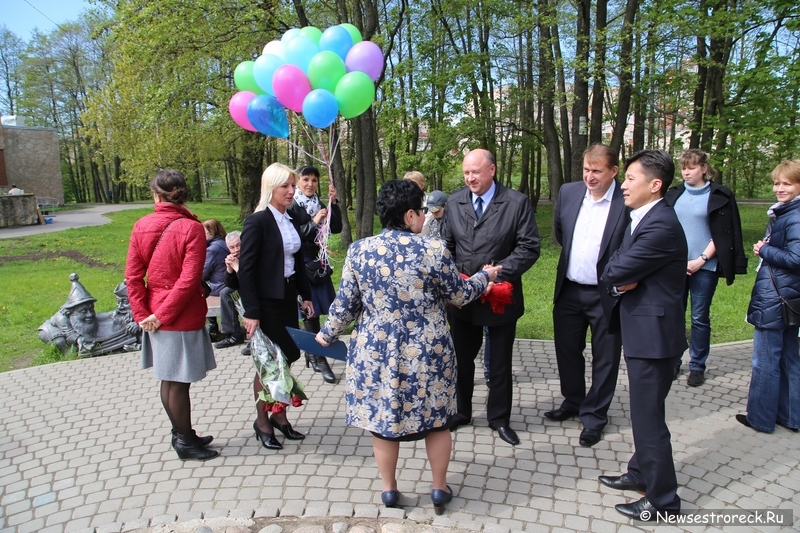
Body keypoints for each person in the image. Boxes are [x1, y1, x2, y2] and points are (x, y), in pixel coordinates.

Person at [315, 179, 502, 513]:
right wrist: (485, 277)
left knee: (385, 425)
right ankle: (439, 488)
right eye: (420, 211)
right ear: (410, 214)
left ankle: (389, 490)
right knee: (437, 421)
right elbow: (459, 295)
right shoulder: (432, 249)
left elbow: (345, 305)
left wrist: (326, 335)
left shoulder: (360, 250)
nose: (423, 217)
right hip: (428, 351)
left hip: (377, 351)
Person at [599, 150, 686, 520]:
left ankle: (664, 501)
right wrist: (620, 281)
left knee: (649, 420)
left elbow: (614, 269)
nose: (623, 185)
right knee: (644, 415)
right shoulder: (643, 218)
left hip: (654, 339)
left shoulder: (661, 224)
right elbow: (616, 266)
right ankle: (639, 473)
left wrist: (618, 281)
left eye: (631, 178)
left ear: (655, 185)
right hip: (645, 333)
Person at [442, 148, 541, 446]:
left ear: (492, 170)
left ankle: (499, 419)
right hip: (464, 296)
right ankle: (461, 411)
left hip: (499, 295)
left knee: (498, 364)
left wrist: (498, 273)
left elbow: (528, 247)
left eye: (476, 172)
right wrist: (457, 277)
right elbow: (446, 244)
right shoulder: (455, 201)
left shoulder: (516, 202)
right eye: (466, 173)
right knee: (461, 359)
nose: (470, 178)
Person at [126, 169, 218, 461]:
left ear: (156, 194)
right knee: (177, 381)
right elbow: (188, 281)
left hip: (156, 312)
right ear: (183, 193)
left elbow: (133, 277)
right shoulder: (192, 228)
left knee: (170, 379)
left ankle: (184, 434)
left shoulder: (141, 225)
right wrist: (158, 316)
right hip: (177, 314)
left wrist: (145, 314)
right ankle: (185, 442)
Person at [548, 144, 629, 447]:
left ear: (613, 171)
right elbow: (560, 231)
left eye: (597, 171)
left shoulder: (626, 200)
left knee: (605, 357)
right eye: (586, 169)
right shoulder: (570, 193)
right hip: (569, 288)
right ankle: (573, 401)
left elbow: (632, 244)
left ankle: (594, 416)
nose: (590, 177)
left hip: (606, 293)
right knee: (567, 349)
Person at [238, 162, 314, 451]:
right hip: (265, 303)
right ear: (271, 188)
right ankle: (262, 421)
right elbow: (246, 270)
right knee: (269, 364)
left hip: (287, 298)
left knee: (288, 357)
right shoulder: (257, 221)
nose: (292, 191)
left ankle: (280, 415)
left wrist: (306, 295)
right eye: (286, 186)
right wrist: (251, 311)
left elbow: (298, 261)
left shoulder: (290, 218)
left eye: (293, 186)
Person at [665, 149, 747, 386]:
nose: (686, 172)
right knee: (674, 315)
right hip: (675, 267)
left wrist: (701, 259)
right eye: (683, 168)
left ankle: (697, 366)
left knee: (699, 317)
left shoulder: (720, 194)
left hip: (705, 265)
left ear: (704, 168)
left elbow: (723, 233)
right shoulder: (673, 194)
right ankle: (673, 361)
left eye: (691, 167)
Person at [737, 159, 800, 434]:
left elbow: (796, 258)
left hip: (777, 297)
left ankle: (761, 418)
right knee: (789, 358)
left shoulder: (794, 215)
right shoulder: (786, 213)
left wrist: (764, 250)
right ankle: (790, 416)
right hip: (788, 297)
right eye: (777, 183)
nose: (779, 189)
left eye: (787, 183)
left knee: (765, 360)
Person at [290, 165, 343, 383]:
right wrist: (313, 222)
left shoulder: (319, 204)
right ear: (298, 182)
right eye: (306, 180)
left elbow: (337, 227)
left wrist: (333, 204)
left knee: (325, 309)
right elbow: (294, 237)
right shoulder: (292, 206)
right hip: (302, 265)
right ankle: (320, 359)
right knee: (309, 311)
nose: (310, 184)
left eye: (314, 180)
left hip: (318, 263)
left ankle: (312, 352)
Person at [214, 231, 246, 349]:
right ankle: (233, 334)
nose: (236, 250)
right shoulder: (235, 259)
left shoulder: (251, 255)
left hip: (259, 292)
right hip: (243, 291)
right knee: (226, 293)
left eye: (238, 245)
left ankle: (255, 337)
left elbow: (249, 283)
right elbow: (232, 285)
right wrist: (229, 270)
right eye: (232, 247)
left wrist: (237, 267)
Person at [202, 219, 230, 341]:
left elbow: (203, 272)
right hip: (227, 282)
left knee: (200, 285)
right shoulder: (224, 242)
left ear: (211, 233)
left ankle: (213, 328)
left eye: (205, 233)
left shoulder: (212, 249)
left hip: (219, 286)